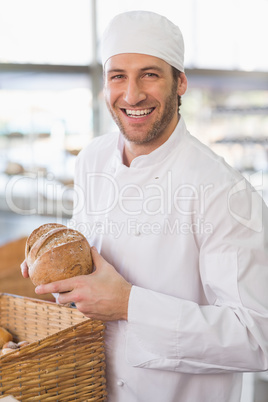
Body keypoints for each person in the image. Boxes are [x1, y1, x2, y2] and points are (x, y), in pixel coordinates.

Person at [21, 10, 268, 402]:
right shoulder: (92, 160)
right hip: (86, 389)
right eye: (118, 76)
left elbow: (256, 338)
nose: (132, 94)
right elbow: (91, 262)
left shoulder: (224, 192)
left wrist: (127, 304)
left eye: (150, 74)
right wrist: (62, 276)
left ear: (180, 82)